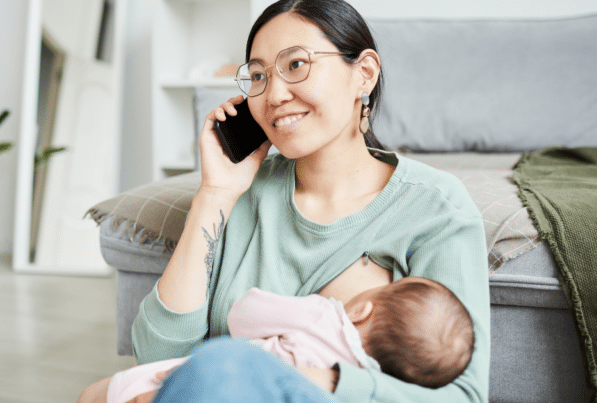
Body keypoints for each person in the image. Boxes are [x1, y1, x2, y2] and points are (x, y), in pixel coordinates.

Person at [131, 0, 491, 402]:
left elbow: (463, 396)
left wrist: (304, 377)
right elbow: (156, 358)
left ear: (364, 74)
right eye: (258, 75)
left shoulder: (435, 207)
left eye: (296, 64)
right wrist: (215, 193)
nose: (274, 94)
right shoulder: (241, 195)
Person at [78, 276, 475, 403]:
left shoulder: (326, 315)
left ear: (362, 311)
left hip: (209, 381)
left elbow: (243, 315)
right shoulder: (362, 387)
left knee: (96, 394)